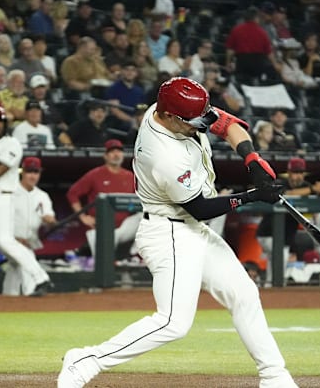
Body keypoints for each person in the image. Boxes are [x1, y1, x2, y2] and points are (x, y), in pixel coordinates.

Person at [58, 77, 296, 388]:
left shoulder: (169, 108)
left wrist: (252, 159)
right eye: (192, 121)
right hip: (168, 233)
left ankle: (275, 377)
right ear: (169, 117)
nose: (201, 126)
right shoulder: (162, 155)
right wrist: (251, 195)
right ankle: (86, 360)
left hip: (192, 229)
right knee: (173, 323)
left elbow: (227, 124)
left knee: (244, 295)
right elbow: (201, 207)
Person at [0, 106, 52, 297]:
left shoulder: (13, 143)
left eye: (1, 121)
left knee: (5, 241)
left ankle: (40, 276)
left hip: (2, 198)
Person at [257, 157, 320, 287]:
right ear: (289, 173)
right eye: (295, 172)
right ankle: (277, 287)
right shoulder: (280, 182)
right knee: (280, 259)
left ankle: (269, 287)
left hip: (284, 236)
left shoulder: (306, 186)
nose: (297, 176)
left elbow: (319, 191)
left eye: (300, 173)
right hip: (267, 233)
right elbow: (288, 193)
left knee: (275, 263)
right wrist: (314, 189)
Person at [65, 139, 141, 262]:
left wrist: (131, 208)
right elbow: (72, 193)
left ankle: (134, 255)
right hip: (101, 229)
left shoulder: (130, 176)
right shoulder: (95, 175)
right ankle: (83, 252)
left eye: (119, 151)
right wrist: (83, 217)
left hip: (123, 228)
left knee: (147, 215)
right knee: (103, 266)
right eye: (112, 152)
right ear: (105, 156)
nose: (116, 154)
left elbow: (138, 201)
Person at [2, 157, 56, 295]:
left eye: (36, 172)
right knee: (27, 257)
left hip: (30, 241)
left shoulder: (43, 196)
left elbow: (51, 222)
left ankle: (8, 298)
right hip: (10, 240)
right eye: (29, 172)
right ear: (22, 172)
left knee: (16, 268)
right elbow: (1, 219)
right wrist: (14, 238)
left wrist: (50, 221)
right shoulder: (10, 192)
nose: (33, 176)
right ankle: (33, 290)